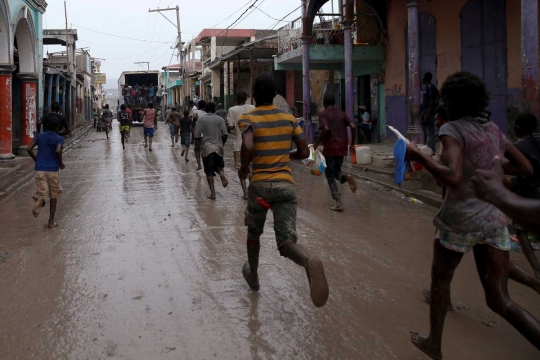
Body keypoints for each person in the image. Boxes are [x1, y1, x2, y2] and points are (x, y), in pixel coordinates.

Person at [406, 72, 539, 360]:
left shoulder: (452, 130)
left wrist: (419, 156)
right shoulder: (492, 129)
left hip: (459, 220)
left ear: (452, 101)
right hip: (493, 220)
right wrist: (490, 168)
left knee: (440, 281)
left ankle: (434, 345)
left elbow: (453, 177)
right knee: (501, 300)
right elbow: (525, 168)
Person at [238, 74, 329, 308]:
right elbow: (303, 152)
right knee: (286, 242)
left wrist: (244, 168)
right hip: (285, 187)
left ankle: (254, 278)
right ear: (275, 95)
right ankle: (308, 261)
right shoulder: (289, 119)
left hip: (260, 186)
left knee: (253, 233)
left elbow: (248, 145)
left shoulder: (248, 117)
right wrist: (284, 155)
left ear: (254, 96)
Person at [313, 93, 357, 211]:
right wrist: (352, 144)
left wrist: (316, 144)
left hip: (330, 147)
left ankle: (338, 203)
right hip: (342, 147)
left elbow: (326, 128)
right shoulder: (341, 114)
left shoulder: (323, 114)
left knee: (330, 176)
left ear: (324, 103)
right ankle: (346, 176)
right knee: (337, 171)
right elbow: (353, 126)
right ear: (334, 103)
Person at [510, 113, 540, 277]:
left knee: (521, 231)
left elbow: (521, 171)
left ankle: (536, 270)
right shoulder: (538, 143)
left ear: (517, 128)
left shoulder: (517, 148)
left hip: (528, 194)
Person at [26, 116, 65, 229]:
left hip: (40, 170)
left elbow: (29, 148)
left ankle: (40, 200)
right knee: (54, 195)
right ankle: (51, 222)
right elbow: (58, 150)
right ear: (57, 127)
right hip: (53, 170)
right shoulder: (59, 138)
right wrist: (61, 163)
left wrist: (36, 159)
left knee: (42, 192)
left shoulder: (40, 136)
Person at [194, 102, 228, 199]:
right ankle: (221, 173)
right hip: (218, 147)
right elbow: (225, 134)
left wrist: (199, 141)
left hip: (207, 148)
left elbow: (197, 135)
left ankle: (213, 193)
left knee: (209, 171)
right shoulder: (220, 119)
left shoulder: (201, 120)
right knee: (219, 166)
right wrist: (223, 143)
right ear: (215, 109)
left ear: (205, 109)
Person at [228, 91, 255, 200]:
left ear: (236, 99)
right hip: (253, 144)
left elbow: (231, 127)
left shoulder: (232, 110)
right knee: (251, 168)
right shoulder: (253, 108)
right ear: (246, 98)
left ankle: (245, 194)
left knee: (241, 169)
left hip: (239, 144)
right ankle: (251, 190)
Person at [421, 72, 440, 153]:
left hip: (429, 114)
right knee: (428, 133)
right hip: (426, 113)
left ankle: (432, 150)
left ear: (426, 78)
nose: (422, 79)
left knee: (431, 132)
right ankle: (429, 150)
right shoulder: (426, 88)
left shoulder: (431, 87)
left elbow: (432, 102)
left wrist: (427, 115)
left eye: (423, 77)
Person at [192, 100, 207, 170]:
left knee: (197, 150)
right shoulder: (206, 113)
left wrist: (192, 126)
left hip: (198, 134)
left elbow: (194, 118)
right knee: (205, 149)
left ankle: (199, 165)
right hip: (206, 134)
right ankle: (206, 164)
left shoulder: (196, 112)